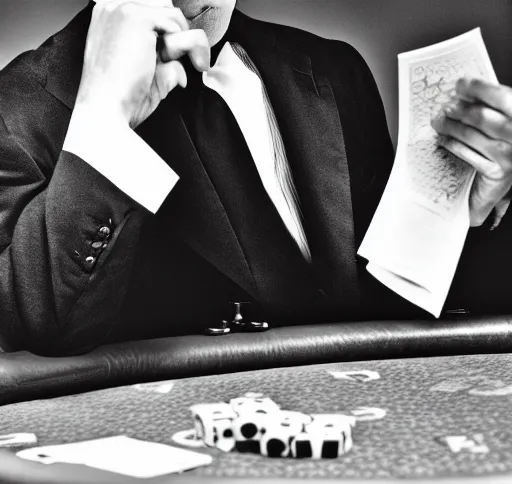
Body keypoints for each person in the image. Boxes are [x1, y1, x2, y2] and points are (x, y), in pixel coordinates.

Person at [0, 0, 511, 356]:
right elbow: (34, 330)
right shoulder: (18, 103)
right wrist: (104, 121)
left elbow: (387, 302)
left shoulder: (334, 71)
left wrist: (466, 212)